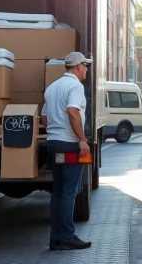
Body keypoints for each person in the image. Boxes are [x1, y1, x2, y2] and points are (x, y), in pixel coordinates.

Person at [41, 51, 93, 251]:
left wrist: (56, 129)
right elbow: (73, 111)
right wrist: (82, 140)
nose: (86, 70)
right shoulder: (76, 86)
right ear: (78, 66)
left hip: (53, 143)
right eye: (85, 66)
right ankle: (67, 236)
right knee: (69, 191)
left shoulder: (52, 87)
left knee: (58, 190)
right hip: (70, 144)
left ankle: (56, 237)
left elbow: (44, 117)